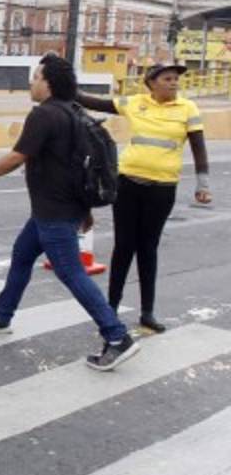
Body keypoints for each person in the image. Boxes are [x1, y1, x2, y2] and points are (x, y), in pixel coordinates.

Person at [0, 54, 140, 371]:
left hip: (54, 212)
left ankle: (116, 336)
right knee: (23, 253)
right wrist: (84, 210)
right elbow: (79, 165)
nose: (32, 82)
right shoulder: (75, 112)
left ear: (48, 83)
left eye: (35, 77)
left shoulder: (44, 115)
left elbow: (16, 157)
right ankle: (2, 314)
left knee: (71, 273)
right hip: (60, 208)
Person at [76, 63, 213, 332]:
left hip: (162, 189)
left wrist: (203, 184)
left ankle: (147, 312)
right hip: (128, 184)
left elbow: (199, 147)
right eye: (168, 78)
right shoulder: (135, 102)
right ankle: (111, 309)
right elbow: (94, 102)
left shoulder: (188, 109)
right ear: (151, 82)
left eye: (176, 79)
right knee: (123, 247)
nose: (174, 83)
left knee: (148, 249)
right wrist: (66, 86)